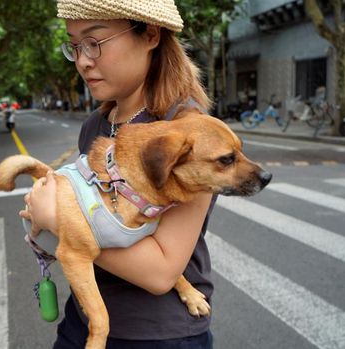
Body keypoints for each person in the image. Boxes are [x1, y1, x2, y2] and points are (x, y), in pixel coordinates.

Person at [21, 0, 215, 347]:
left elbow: (161, 272)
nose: (82, 60)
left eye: (95, 41)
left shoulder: (190, 135)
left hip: (157, 335)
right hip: (83, 318)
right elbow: (94, 212)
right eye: (75, 45)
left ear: (151, 34)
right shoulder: (96, 124)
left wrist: (58, 220)